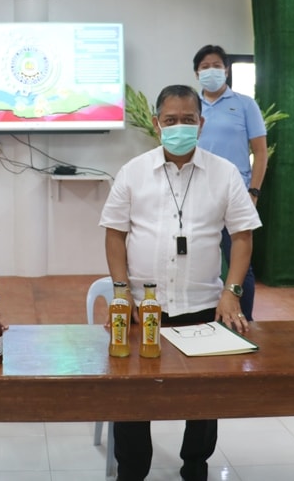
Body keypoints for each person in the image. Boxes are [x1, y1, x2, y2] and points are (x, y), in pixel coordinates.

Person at [99, 84, 261, 481]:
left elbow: (243, 235)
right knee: (133, 397)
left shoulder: (223, 174)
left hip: (204, 305)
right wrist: (121, 293)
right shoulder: (133, 172)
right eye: (170, 120)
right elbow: (114, 233)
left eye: (188, 120)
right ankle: (132, 470)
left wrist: (232, 291)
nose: (179, 127)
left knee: (203, 398)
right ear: (157, 125)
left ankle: (195, 467)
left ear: (201, 124)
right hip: (143, 307)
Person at [193, 44, 268, 321]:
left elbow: (260, 152)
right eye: (204, 66)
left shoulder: (245, 104)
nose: (211, 71)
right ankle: (203, 317)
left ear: (225, 70)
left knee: (240, 261)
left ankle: (242, 318)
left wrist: (254, 192)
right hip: (197, 193)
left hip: (236, 194)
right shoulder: (193, 107)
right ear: (196, 73)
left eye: (216, 65)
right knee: (199, 259)